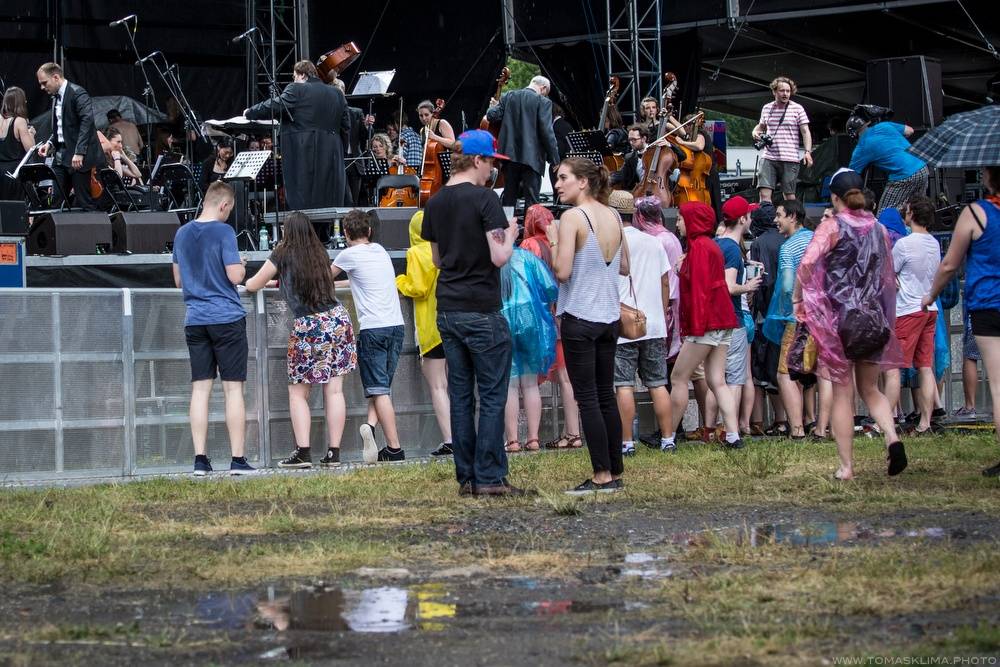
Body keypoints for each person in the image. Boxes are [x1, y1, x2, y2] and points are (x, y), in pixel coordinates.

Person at [421, 130, 520, 496]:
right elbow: (499, 256)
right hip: (482, 307)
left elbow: (435, 259)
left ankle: (467, 478)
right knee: (493, 395)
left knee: (461, 395)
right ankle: (490, 477)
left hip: (448, 307)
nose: (492, 169)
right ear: (477, 160)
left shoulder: (434, 202)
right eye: (491, 161)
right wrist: (511, 234)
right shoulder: (485, 199)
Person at [795, 168, 906, 480]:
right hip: (874, 320)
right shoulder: (880, 229)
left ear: (834, 198)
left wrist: (798, 300)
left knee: (843, 393)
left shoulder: (832, 227)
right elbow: (887, 277)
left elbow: (806, 264)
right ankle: (892, 438)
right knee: (871, 388)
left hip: (840, 322)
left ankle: (846, 467)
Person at [245, 211, 357, 468]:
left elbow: (254, 284)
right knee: (335, 390)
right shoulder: (319, 253)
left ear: (287, 231)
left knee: (298, 392)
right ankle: (333, 453)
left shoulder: (282, 252)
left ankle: (303, 451)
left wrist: (252, 280)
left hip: (310, 325)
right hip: (338, 319)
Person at [546, 157, 630, 494]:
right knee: (605, 395)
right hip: (609, 317)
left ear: (583, 181)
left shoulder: (571, 218)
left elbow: (563, 272)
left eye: (563, 177)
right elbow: (623, 266)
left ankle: (601, 474)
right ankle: (615, 467)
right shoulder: (612, 214)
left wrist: (553, 240)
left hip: (580, 315)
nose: (557, 184)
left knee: (588, 399)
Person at [171, 181, 254, 476]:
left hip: (195, 318)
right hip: (226, 317)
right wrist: (241, 264)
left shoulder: (181, 233)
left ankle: (200, 459)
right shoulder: (223, 232)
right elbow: (234, 276)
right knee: (233, 390)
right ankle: (237, 459)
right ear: (223, 205)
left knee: (200, 389)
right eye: (229, 210)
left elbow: (178, 280)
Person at [922, 166, 1000, 476]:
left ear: (990, 177)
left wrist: (931, 295)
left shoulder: (976, 212)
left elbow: (950, 263)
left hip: (988, 304)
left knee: (998, 382)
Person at [662, 201, 743, 451]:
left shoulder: (698, 249)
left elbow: (698, 292)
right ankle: (733, 435)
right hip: (723, 319)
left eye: (681, 219)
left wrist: (692, 329)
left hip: (706, 323)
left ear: (693, 222)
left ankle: (668, 438)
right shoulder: (711, 247)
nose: (678, 223)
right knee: (717, 380)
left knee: (678, 377)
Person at [332, 210, 407, 463]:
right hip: (396, 326)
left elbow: (322, 278)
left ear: (345, 234)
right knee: (382, 388)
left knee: (379, 390)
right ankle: (371, 428)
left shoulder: (348, 255)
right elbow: (358, 281)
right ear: (370, 232)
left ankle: (395, 449)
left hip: (373, 329)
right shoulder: (380, 252)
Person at [608, 190, 673, 457]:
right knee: (657, 382)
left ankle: (627, 443)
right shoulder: (653, 242)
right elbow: (665, 281)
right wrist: (662, 309)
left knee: (623, 384)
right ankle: (668, 439)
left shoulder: (610, 244)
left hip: (623, 324)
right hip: (654, 323)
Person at [244, 60, 350, 210]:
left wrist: (250, 112)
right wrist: (340, 151)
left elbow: (274, 105)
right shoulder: (337, 94)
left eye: (294, 76)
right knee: (330, 205)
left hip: (303, 154)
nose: (294, 80)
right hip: (333, 156)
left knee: (304, 207)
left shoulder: (297, 89)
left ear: (302, 75)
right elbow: (346, 127)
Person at [519, 204, 581, 450]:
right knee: (567, 378)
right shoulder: (562, 245)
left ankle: (554, 434)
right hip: (563, 315)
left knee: (534, 379)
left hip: (540, 318)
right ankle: (572, 431)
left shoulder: (529, 246)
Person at [395, 210, 453, 457]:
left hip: (431, 327)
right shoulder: (448, 248)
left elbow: (417, 288)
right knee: (454, 385)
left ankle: (451, 440)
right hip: (453, 322)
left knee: (438, 386)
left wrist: (399, 281)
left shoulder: (416, 253)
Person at [882, 195, 940, 435]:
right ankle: (925, 422)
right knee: (925, 366)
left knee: (893, 367)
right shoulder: (934, 242)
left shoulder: (904, 244)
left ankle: (885, 422)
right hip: (930, 309)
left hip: (907, 309)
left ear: (912, 214)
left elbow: (888, 274)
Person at [763, 199, 815, 439]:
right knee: (819, 372)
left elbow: (785, 286)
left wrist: (788, 306)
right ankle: (822, 426)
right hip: (823, 316)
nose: (776, 220)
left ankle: (796, 428)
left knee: (785, 373)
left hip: (797, 317)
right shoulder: (817, 239)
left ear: (793, 217)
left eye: (779, 215)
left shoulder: (789, 248)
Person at [710, 196, 763, 431]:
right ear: (742, 219)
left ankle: (712, 427)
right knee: (735, 379)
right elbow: (729, 286)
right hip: (733, 319)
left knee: (716, 378)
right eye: (749, 215)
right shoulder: (732, 248)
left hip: (715, 320)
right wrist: (749, 286)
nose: (750, 219)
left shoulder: (716, 243)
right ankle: (730, 429)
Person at [501, 245, 558, 453]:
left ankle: (513, 440)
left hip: (502, 322)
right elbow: (550, 288)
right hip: (531, 321)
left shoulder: (492, 258)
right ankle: (533, 438)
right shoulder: (527, 258)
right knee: (531, 384)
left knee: (510, 385)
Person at [36, 62, 104, 210]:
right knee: (56, 201)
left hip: (78, 158)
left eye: (44, 83)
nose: (42, 87)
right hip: (61, 158)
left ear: (55, 77)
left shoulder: (77, 93)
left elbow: (87, 121)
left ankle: (92, 232)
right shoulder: (55, 98)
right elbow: (62, 127)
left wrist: (79, 152)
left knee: (84, 202)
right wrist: (50, 143)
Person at [486, 75, 561, 208]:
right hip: (532, 159)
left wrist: (492, 107)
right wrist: (554, 159)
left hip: (508, 157)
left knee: (509, 198)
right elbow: (547, 133)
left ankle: (507, 226)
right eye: (546, 93)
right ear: (543, 88)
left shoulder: (508, 96)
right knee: (532, 202)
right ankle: (530, 228)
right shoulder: (543, 102)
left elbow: (492, 116)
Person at [748, 201, 787, 433]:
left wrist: (757, 308)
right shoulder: (786, 239)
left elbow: (759, 280)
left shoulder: (759, 243)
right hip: (787, 311)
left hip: (766, 313)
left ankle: (760, 422)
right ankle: (785, 419)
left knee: (762, 368)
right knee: (782, 366)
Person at [847, 117, 928, 214]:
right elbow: (910, 131)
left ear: (853, 135)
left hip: (904, 175)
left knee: (885, 214)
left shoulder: (861, 147)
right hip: (922, 167)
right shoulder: (884, 125)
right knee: (916, 211)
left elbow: (850, 176)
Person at [751, 76, 813, 203]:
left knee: (789, 196)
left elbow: (805, 131)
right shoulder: (767, 108)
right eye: (782, 90)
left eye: (788, 91)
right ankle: (765, 221)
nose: (785, 94)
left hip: (789, 158)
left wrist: (807, 152)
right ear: (774, 91)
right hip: (769, 157)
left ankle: (793, 221)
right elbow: (761, 126)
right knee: (764, 195)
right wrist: (755, 131)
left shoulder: (797, 108)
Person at [0, 87, 36, 201]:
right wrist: (31, 134)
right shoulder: (20, 121)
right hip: (14, 173)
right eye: (24, 100)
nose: (26, 102)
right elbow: (30, 148)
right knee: (15, 208)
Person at [610, 124, 648, 191]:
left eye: (634, 140)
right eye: (629, 140)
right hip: (638, 192)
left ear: (643, 139)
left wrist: (667, 145)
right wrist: (604, 179)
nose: (631, 142)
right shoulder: (630, 157)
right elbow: (621, 174)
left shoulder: (656, 151)